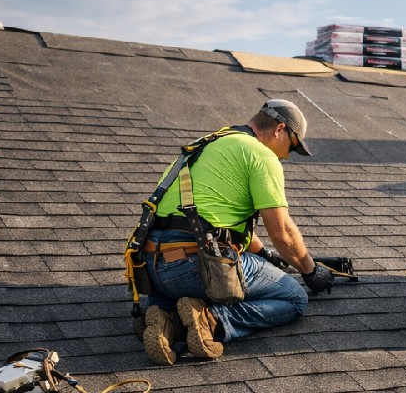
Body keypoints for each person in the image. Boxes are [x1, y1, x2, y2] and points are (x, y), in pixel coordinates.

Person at [139, 99, 335, 366]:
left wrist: (265, 254)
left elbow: (214, 222)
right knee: (294, 298)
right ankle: (212, 322)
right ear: (279, 129)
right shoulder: (260, 155)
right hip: (196, 268)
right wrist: (311, 272)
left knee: (194, 275)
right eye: (292, 145)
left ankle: (167, 320)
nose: (287, 155)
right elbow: (283, 233)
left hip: (151, 267)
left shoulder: (208, 142)